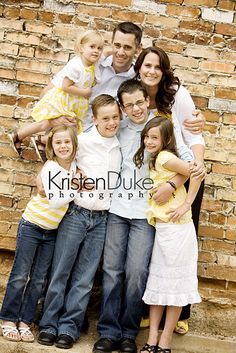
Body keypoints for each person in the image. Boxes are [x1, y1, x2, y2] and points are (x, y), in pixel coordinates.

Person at [93, 79, 203, 353]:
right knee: (112, 271)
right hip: (118, 209)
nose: (135, 108)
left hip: (146, 215)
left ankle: (129, 333)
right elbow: (90, 142)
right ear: (122, 107)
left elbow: (190, 165)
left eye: (139, 102)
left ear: (147, 101)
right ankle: (108, 332)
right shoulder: (117, 127)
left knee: (136, 272)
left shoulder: (160, 127)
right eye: (128, 105)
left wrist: (171, 185)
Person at [37, 94, 122, 350]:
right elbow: (56, 155)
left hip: (102, 219)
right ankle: (49, 324)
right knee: (61, 270)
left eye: (115, 117)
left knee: (84, 278)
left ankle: (69, 328)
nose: (111, 122)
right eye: (105, 118)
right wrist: (43, 178)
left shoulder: (121, 145)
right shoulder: (82, 141)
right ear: (94, 120)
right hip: (76, 214)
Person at [134, 46, 205, 333]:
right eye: (147, 66)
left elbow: (195, 133)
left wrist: (191, 172)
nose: (151, 72)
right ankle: (147, 310)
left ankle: (181, 314)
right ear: (138, 68)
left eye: (157, 67)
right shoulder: (132, 95)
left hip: (184, 178)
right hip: (152, 181)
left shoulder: (177, 95)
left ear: (164, 71)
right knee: (152, 248)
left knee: (180, 248)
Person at [0, 125, 78, 343]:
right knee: (19, 275)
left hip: (51, 232)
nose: (63, 146)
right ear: (52, 147)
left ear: (74, 145)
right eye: (58, 142)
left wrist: (76, 181)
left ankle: (25, 321)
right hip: (32, 226)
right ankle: (7, 318)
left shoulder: (75, 168)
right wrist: (75, 189)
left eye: (67, 142)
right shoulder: (51, 168)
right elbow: (55, 201)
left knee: (39, 280)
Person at [134, 117, 201, 353]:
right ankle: (153, 338)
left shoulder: (164, 157)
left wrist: (187, 204)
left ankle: (163, 340)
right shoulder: (158, 158)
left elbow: (196, 172)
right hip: (164, 230)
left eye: (154, 137)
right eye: (146, 136)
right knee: (159, 284)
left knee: (174, 286)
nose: (149, 141)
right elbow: (186, 172)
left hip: (178, 230)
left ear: (165, 139)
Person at [8, 29, 104, 159]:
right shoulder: (76, 66)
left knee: (51, 124)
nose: (96, 51)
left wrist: (111, 51)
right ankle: (40, 139)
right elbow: (65, 86)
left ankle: (21, 136)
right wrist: (84, 92)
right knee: (68, 126)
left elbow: (106, 53)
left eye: (99, 48)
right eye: (92, 47)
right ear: (81, 48)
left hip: (73, 102)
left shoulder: (92, 62)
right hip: (64, 99)